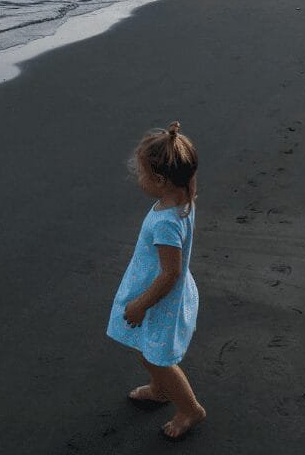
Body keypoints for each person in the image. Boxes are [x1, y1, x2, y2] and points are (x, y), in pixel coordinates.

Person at [107, 122, 206, 442]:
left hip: (161, 298)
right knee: (147, 348)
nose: (139, 179)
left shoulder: (167, 222)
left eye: (142, 173)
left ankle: (190, 409)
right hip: (159, 292)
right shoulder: (183, 198)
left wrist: (139, 304)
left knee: (159, 358)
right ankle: (160, 390)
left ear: (161, 180)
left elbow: (170, 273)